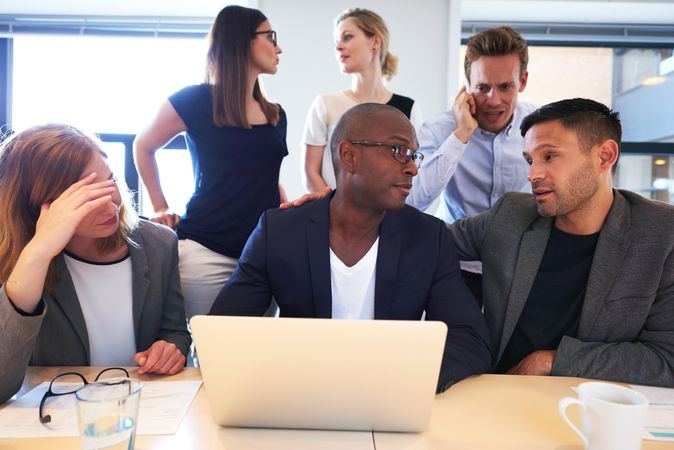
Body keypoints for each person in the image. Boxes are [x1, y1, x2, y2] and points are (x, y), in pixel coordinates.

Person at [211, 104, 493, 392]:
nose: (412, 167)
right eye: (399, 151)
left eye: (414, 155)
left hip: (390, 403)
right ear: (349, 156)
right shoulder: (280, 232)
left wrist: (399, 379)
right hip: (301, 400)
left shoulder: (427, 238)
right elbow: (222, 331)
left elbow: (470, 340)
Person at [448, 98, 674, 387]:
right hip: (498, 396)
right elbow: (431, 240)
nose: (532, 174)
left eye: (549, 157)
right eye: (530, 160)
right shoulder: (511, 215)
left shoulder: (661, 233)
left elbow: (667, 359)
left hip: (592, 407)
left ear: (604, 156)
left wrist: (549, 361)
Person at [0, 124, 191, 403]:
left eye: (110, 182)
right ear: (37, 206)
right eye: (87, 196)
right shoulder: (16, 260)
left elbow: (174, 332)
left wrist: (172, 349)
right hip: (53, 417)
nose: (111, 204)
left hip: (139, 407)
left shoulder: (158, 244)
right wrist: (38, 252)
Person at [134, 5, 287, 320]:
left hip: (262, 254)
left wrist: (290, 210)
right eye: (270, 36)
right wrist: (160, 206)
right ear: (241, 40)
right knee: (209, 354)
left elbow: (266, 177)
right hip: (207, 251)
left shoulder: (276, 114)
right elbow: (143, 146)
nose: (278, 47)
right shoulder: (194, 100)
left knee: (256, 355)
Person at [407, 26, 536, 304]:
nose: (493, 99)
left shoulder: (541, 128)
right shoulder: (441, 129)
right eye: (482, 87)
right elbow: (413, 198)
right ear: (466, 85)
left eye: (506, 87)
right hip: (456, 267)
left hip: (522, 268)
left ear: (522, 82)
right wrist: (461, 134)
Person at [301, 7, 423, 193]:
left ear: (375, 41)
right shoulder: (324, 105)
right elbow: (311, 173)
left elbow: (412, 171)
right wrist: (333, 211)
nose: (338, 46)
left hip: (389, 218)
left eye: (347, 37)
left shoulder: (408, 109)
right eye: (336, 41)